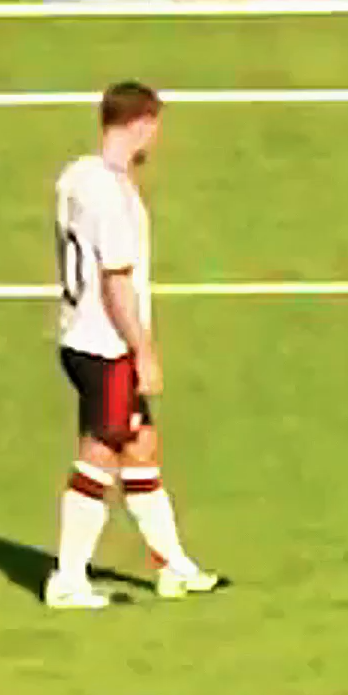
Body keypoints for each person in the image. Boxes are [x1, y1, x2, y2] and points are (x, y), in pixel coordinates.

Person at [50, 81, 224, 613]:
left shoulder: (78, 177)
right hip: (106, 346)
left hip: (80, 336)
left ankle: (173, 565)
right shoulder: (110, 196)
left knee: (141, 446)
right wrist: (143, 349)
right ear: (142, 123)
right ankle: (69, 578)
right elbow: (115, 281)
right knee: (99, 454)